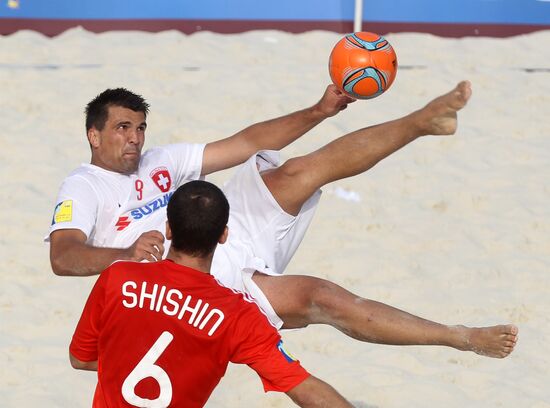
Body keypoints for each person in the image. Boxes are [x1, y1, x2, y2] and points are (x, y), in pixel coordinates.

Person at [49, 81, 518, 359]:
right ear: (94, 135)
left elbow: (246, 141)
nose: (134, 138)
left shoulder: (160, 160)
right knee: (323, 297)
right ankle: (461, 337)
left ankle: (421, 121)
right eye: (121, 128)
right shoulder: (84, 186)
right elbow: (63, 256)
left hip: (222, 230)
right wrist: (123, 253)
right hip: (192, 277)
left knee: (297, 172)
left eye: (139, 127)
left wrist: (318, 110)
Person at [69, 180, 352, 407]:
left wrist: (125, 362)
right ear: (223, 235)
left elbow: (81, 358)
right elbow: (302, 387)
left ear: (168, 229)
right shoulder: (237, 315)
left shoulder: (118, 278)